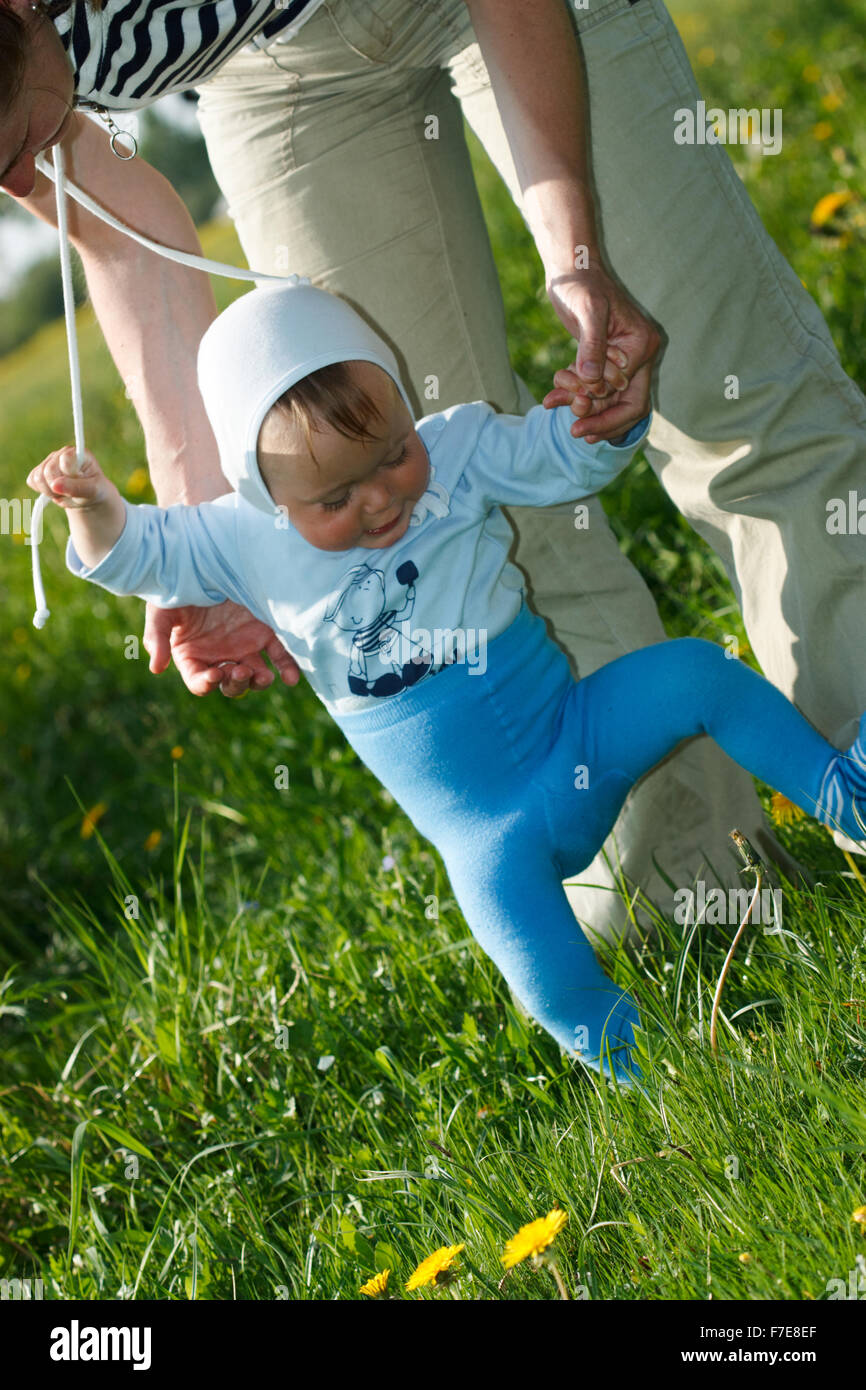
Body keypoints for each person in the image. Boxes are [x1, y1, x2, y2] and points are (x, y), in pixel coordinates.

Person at [3, 0, 864, 949]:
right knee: (431, 507)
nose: (9, 185)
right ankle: (704, 900)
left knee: (734, 403)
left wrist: (576, 258)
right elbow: (126, 236)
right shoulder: (30, 77)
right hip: (274, 76)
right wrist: (213, 546)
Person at [25, 282, 866, 1084]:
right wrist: (93, 505)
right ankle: (660, 1077)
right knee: (549, 985)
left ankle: (844, 796)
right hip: (489, 841)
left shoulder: (456, 446)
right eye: (335, 497)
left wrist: (598, 423)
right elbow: (136, 554)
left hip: (578, 736)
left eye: (393, 455)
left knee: (694, 673)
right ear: (264, 490)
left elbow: (559, 463)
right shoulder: (237, 539)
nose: (381, 500)